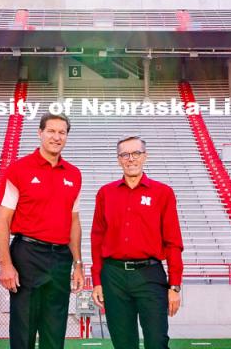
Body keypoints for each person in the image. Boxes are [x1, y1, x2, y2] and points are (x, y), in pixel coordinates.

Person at [0, 112, 84, 349]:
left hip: (60, 259)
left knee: (55, 331)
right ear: (40, 133)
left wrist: (78, 264)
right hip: (27, 255)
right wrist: (5, 264)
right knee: (24, 331)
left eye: (62, 132)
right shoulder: (19, 169)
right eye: (51, 131)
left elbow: (74, 221)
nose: (57, 137)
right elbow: (2, 220)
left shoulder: (74, 174)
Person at [91, 135, 183, 349]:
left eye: (136, 153)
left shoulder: (163, 193)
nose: (130, 159)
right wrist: (97, 280)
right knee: (123, 343)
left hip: (149, 275)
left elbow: (173, 242)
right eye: (124, 154)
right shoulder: (105, 193)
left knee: (157, 341)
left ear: (145, 156)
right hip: (113, 276)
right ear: (118, 159)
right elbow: (97, 239)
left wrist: (175, 286)